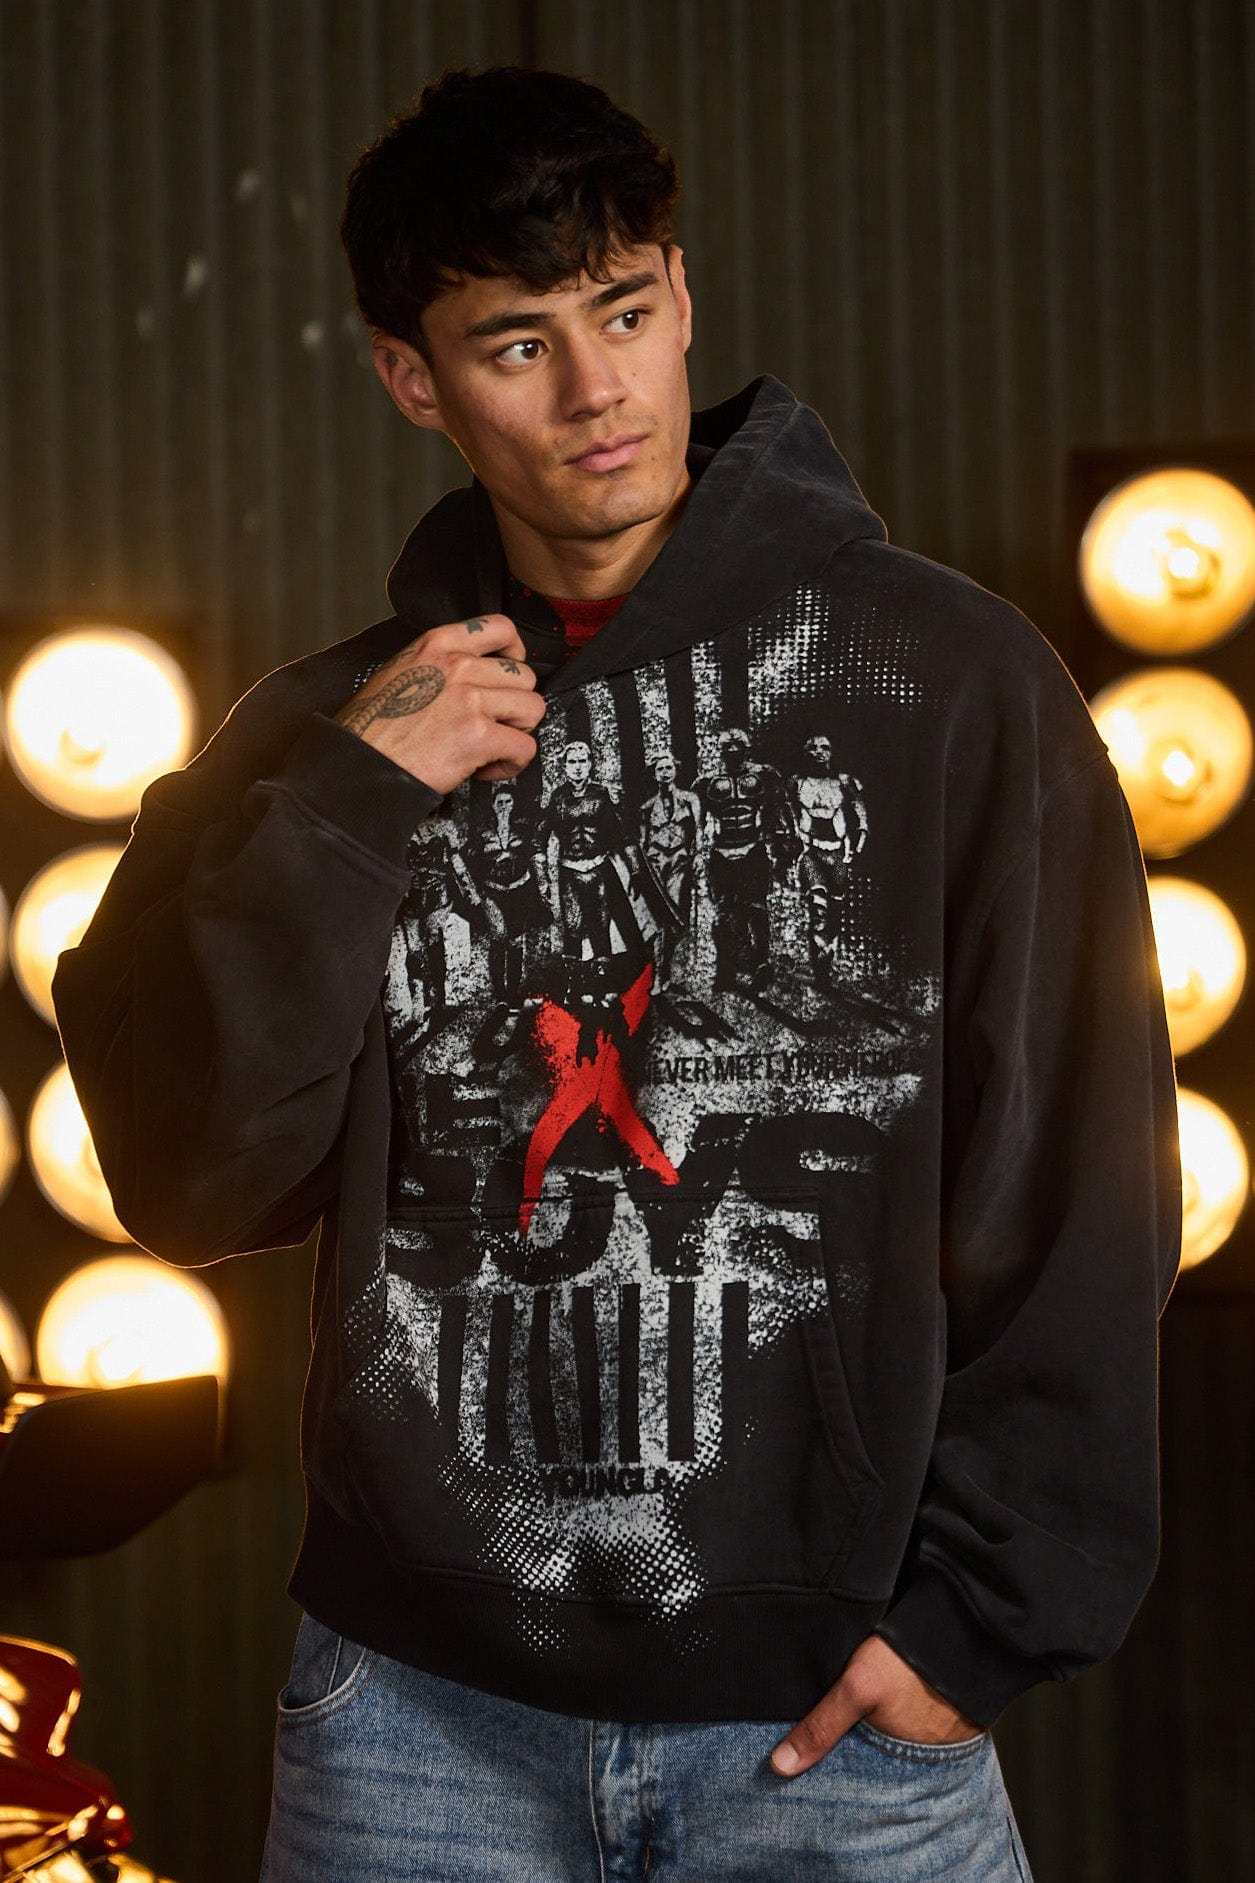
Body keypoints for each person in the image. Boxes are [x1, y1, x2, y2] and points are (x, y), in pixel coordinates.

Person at [50, 62, 1181, 1883]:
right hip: (415, 1729)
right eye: (518, 345)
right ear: (412, 377)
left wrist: (979, 1627)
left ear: (682, 297)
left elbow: (1088, 1177)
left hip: (833, 1730)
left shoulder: (951, 685)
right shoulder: (324, 739)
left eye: (626, 312)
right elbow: (188, 1179)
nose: (597, 393)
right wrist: (352, 800)